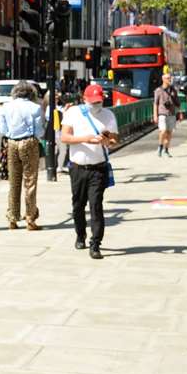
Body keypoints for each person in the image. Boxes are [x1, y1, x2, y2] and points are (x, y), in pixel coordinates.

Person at [59, 82, 119, 260]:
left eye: (99, 101)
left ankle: (95, 243)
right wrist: (85, 139)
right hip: (77, 167)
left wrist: (107, 141)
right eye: (92, 101)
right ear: (84, 99)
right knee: (78, 205)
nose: (96, 105)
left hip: (98, 168)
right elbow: (65, 137)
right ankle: (80, 235)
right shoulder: (74, 113)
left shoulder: (108, 116)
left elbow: (115, 140)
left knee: (96, 205)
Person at [0, 82, 46, 231]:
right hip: (29, 142)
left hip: (11, 143)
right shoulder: (35, 108)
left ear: (15, 93)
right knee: (30, 181)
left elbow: (3, 130)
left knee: (14, 181)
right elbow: (39, 132)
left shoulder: (6, 107)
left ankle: (12, 218)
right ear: (31, 93)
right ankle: (30, 218)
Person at [154, 73, 179, 158]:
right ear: (163, 79)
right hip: (162, 113)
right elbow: (155, 104)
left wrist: (180, 113)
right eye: (168, 78)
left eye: (170, 78)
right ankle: (160, 146)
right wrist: (155, 115)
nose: (169, 80)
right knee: (163, 130)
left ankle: (166, 150)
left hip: (171, 113)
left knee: (169, 133)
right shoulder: (158, 90)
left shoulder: (173, 90)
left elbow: (177, 103)